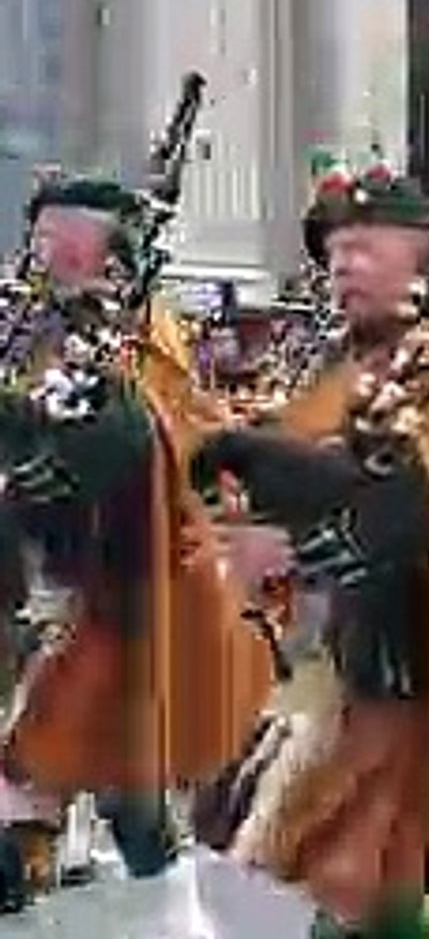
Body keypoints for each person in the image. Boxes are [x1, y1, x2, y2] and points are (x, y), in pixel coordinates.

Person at [200, 163, 429, 938]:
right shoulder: (345, 372)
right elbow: (312, 484)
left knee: (398, 894)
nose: (343, 266)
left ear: (421, 259)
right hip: (358, 666)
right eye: (335, 251)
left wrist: (283, 477)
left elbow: (425, 497)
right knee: (357, 890)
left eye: (365, 247)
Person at [0, 174, 273, 909]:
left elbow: (145, 449)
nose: (39, 251)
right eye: (38, 236)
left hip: (130, 602)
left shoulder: (136, 350)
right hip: (52, 598)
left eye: (60, 239)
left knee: (125, 800)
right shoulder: (37, 330)